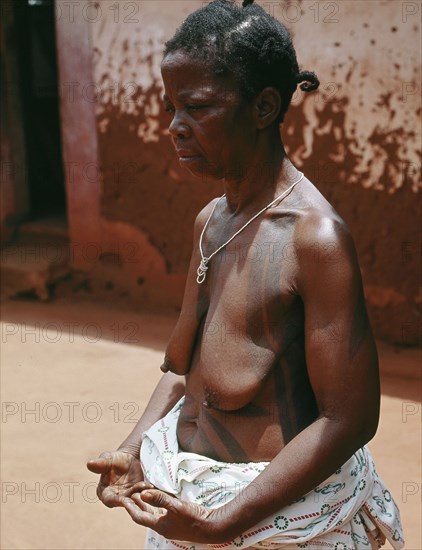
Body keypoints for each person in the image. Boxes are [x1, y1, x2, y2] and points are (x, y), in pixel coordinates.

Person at [87, 1, 404, 548]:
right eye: (171, 108)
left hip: (276, 521)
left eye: (197, 108)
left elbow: (347, 419)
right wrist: (135, 447)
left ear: (263, 107)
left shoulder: (315, 240)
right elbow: (186, 371)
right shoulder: (210, 222)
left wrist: (229, 521)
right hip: (193, 502)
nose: (175, 128)